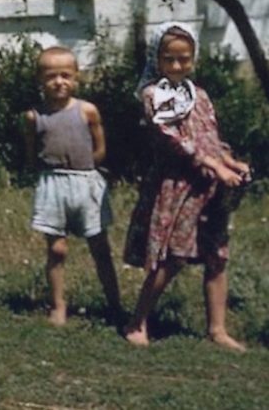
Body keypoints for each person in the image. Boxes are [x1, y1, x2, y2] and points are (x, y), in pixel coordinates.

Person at [123, 22, 250, 351]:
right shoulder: (155, 95)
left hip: (210, 187)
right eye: (170, 59)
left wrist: (229, 161)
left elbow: (210, 137)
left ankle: (217, 329)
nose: (178, 66)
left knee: (217, 254)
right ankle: (137, 321)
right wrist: (214, 165)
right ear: (157, 59)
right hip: (178, 185)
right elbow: (175, 141)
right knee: (174, 255)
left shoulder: (200, 95)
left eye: (185, 59)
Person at [22, 46, 122, 326]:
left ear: (76, 77)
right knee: (57, 249)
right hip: (52, 184)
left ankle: (115, 303)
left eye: (65, 75)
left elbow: (99, 146)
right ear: (40, 80)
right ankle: (58, 305)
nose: (59, 82)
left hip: (85, 182)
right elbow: (32, 151)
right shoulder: (34, 116)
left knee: (100, 246)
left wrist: (87, 169)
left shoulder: (86, 111)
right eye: (51, 76)